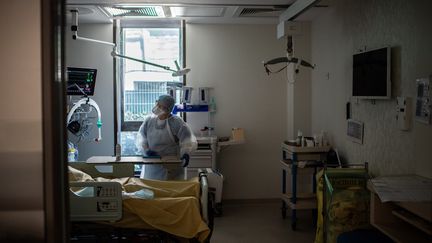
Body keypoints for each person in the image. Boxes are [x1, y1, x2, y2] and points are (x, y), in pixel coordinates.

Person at [136, 94, 197, 180]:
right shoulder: (149, 121)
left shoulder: (177, 123)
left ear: (168, 109)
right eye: (158, 105)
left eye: (162, 107)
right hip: (151, 166)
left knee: (169, 191)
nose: (158, 108)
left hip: (171, 167)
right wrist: (146, 150)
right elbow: (141, 138)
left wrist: (186, 153)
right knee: (150, 190)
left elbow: (188, 141)